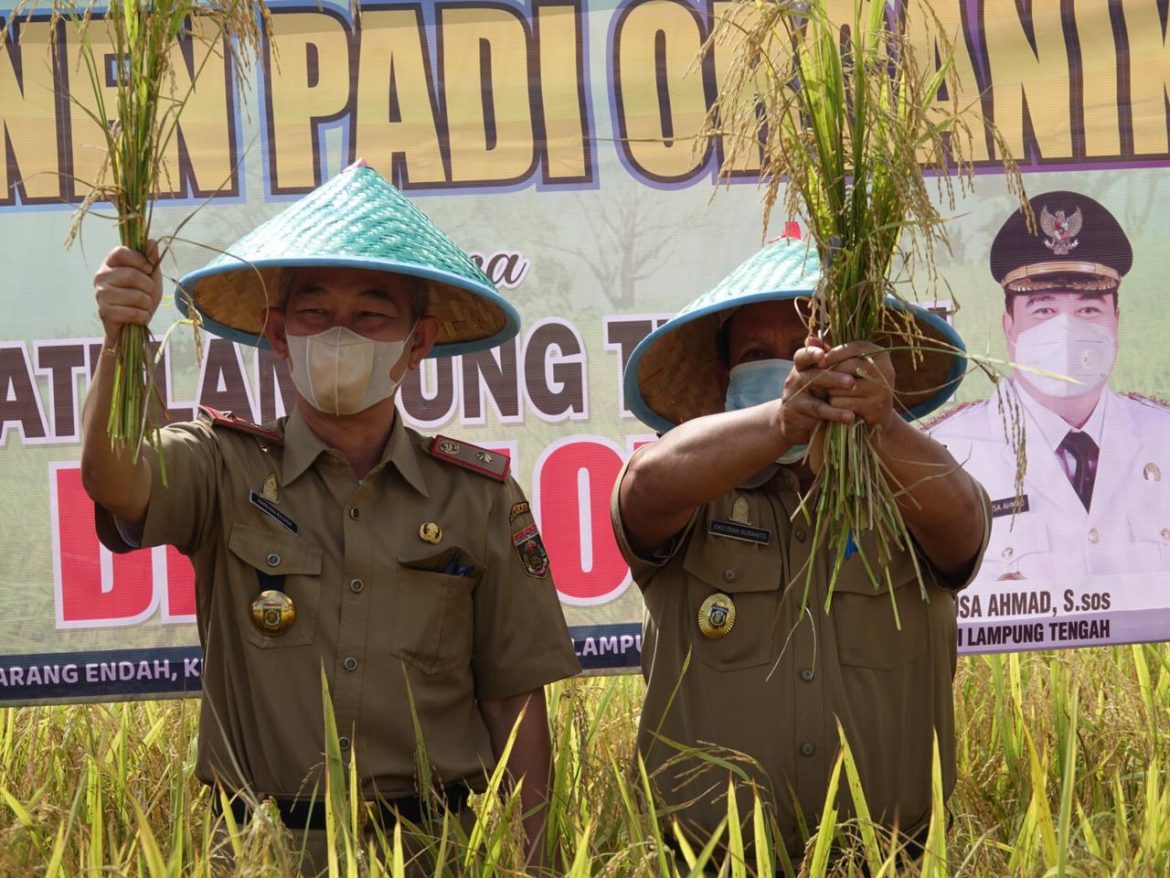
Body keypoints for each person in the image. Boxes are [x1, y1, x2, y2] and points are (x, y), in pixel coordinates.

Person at [80, 160, 581, 874]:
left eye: (371, 313)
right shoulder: (222, 467)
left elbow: (513, 703)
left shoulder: (477, 496)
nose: (340, 333)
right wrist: (118, 336)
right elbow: (115, 480)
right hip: (261, 852)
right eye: (315, 312)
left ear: (419, 342)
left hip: (430, 850)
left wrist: (541, 862)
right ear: (279, 333)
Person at [612, 238, 990, 865]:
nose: (794, 371)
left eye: (806, 350)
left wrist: (883, 426)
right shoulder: (692, 487)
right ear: (720, 378)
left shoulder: (909, 487)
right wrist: (780, 423)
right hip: (709, 859)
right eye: (758, 356)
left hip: (889, 858)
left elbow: (967, 528)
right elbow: (644, 489)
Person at [930, 190, 1170, 581]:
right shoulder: (948, 453)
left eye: (1088, 308)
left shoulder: (1165, 437)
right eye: (1043, 309)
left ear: (1116, 322)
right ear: (1009, 327)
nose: (1066, 328)